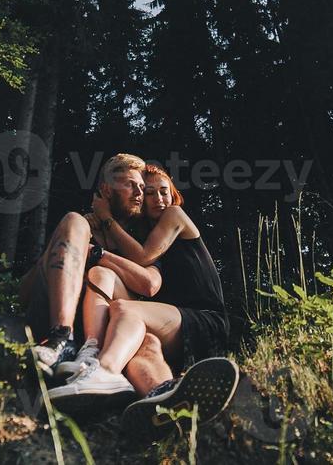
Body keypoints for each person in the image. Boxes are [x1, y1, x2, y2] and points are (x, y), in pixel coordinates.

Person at [47, 163, 238, 436]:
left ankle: (104, 370)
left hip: (205, 320)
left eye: (164, 191)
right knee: (142, 342)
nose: (159, 199)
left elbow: (143, 257)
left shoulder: (174, 216)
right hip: (171, 325)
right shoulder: (143, 237)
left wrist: (105, 220)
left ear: (173, 195)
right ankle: (162, 398)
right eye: (150, 193)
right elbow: (141, 268)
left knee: (126, 310)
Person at [18, 153, 160, 382]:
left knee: (148, 340)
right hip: (57, 326)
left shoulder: (142, 240)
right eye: (130, 185)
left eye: (142, 187)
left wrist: (96, 252)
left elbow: (150, 284)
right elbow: (24, 295)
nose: (139, 193)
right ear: (106, 190)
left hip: (111, 334)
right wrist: (63, 245)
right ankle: (61, 338)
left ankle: (159, 398)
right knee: (74, 220)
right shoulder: (79, 228)